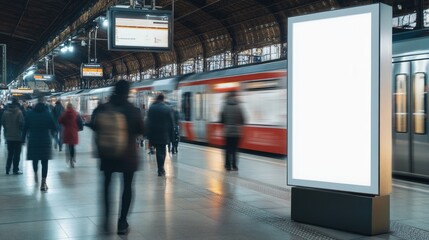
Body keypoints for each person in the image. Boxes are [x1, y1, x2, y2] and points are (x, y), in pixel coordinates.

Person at [89, 80, 144, 234]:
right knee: (127, 187)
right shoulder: (133, 110)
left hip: (107, 154)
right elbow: (141, 129)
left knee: (106, 186)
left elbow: (93, 125)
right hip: (128, 157)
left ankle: (106, 221)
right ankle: (122, 223)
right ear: (127, 92)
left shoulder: (102, 108)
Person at [22, 96, 57, 191]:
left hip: (33, 140)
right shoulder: (48, 114)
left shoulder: (30, 114)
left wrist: (23, 139)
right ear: (44, 103)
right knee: (44, 162)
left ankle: (35, 174)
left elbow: (25, 128)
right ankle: (43, 182)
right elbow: (54, 127)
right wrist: (53, 135)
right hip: (45, 141)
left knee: (35, 160)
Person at [146, 93, 174, 176]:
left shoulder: (152, 108)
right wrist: (172, 135)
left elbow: (148, 122)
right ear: (163, 99)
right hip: (165, 133)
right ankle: (161, 168)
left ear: (157, 99)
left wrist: (148, 134)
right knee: (163, 150)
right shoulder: (168, 108)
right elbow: (171, 123)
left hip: (155, 133)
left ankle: (160, 169)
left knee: (158, 150)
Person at [220, 91, 245, 171]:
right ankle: (234, 166)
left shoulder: (224, 106)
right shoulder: (239, 107)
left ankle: (227, 166)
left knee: (227, 149)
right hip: (237, 132)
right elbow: (243, 120)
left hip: (227, 132)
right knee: (235, 149)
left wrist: (226, 123)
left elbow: (222, 119)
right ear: (235, 97)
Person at [1, 98, 25, 175]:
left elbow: (3, 123)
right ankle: (15, 169)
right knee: (17, 154)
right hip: (18, 136)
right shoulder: (19, 112)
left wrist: (7, 130)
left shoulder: (5, 112)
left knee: (10, 153)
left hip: (9, 136)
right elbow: (21, 124)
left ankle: (7, 169)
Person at [58, 103, 79, 167]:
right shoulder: (76, 113)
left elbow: (59, 121)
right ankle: (73, 159)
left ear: (67, 107)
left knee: (68, 146)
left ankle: (69, 159)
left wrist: (65, 124)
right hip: (74, 132)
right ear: (72, 107)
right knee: (73, 146)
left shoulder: (64, 114)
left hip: (67, 131)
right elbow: (79, 122)